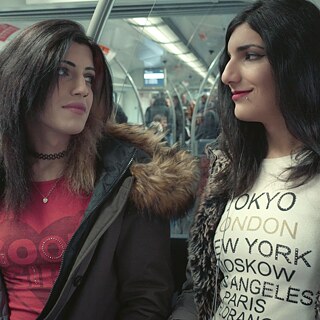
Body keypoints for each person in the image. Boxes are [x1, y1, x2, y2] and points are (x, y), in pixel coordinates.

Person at [0, 19, 200, 320]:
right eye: (63, 71)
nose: (82, 89)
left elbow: (146, 301)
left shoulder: (127, 178)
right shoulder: (5, 175)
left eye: (90, 78)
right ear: (23, 78)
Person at [170, 0, 320, 319]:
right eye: (229, 58)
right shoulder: (230, 168)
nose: (227, 75)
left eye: (250, 56)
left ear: (298, 61)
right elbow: (200, 285)